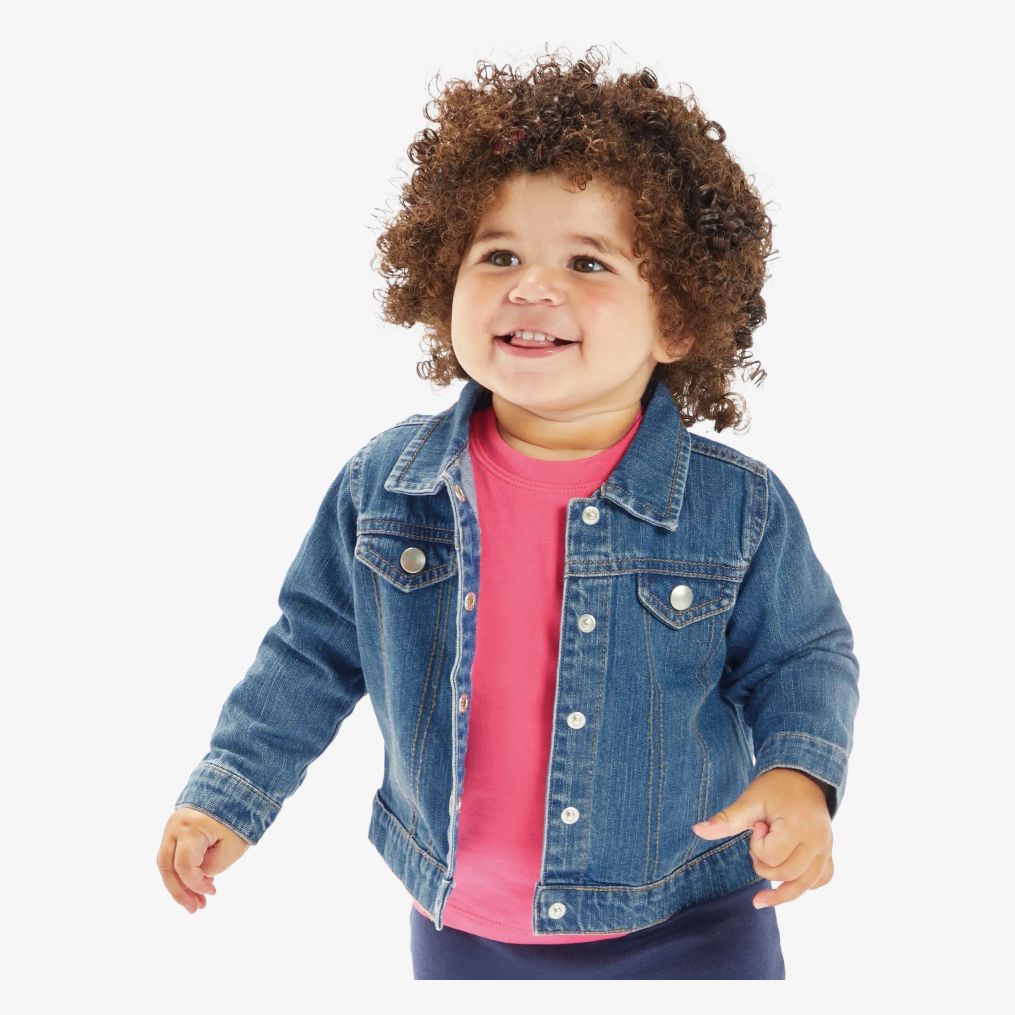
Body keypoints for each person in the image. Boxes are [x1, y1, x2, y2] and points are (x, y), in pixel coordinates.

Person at [157, 45, 859, 980]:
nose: (531, 286)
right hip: (462, 926)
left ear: (677, 319)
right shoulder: (387, 485)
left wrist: (798, 776)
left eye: (587, 261)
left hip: (691, 914)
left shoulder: (734, 505)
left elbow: (802, 655)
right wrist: (231, 792)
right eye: (498, 255)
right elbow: (310, 650)